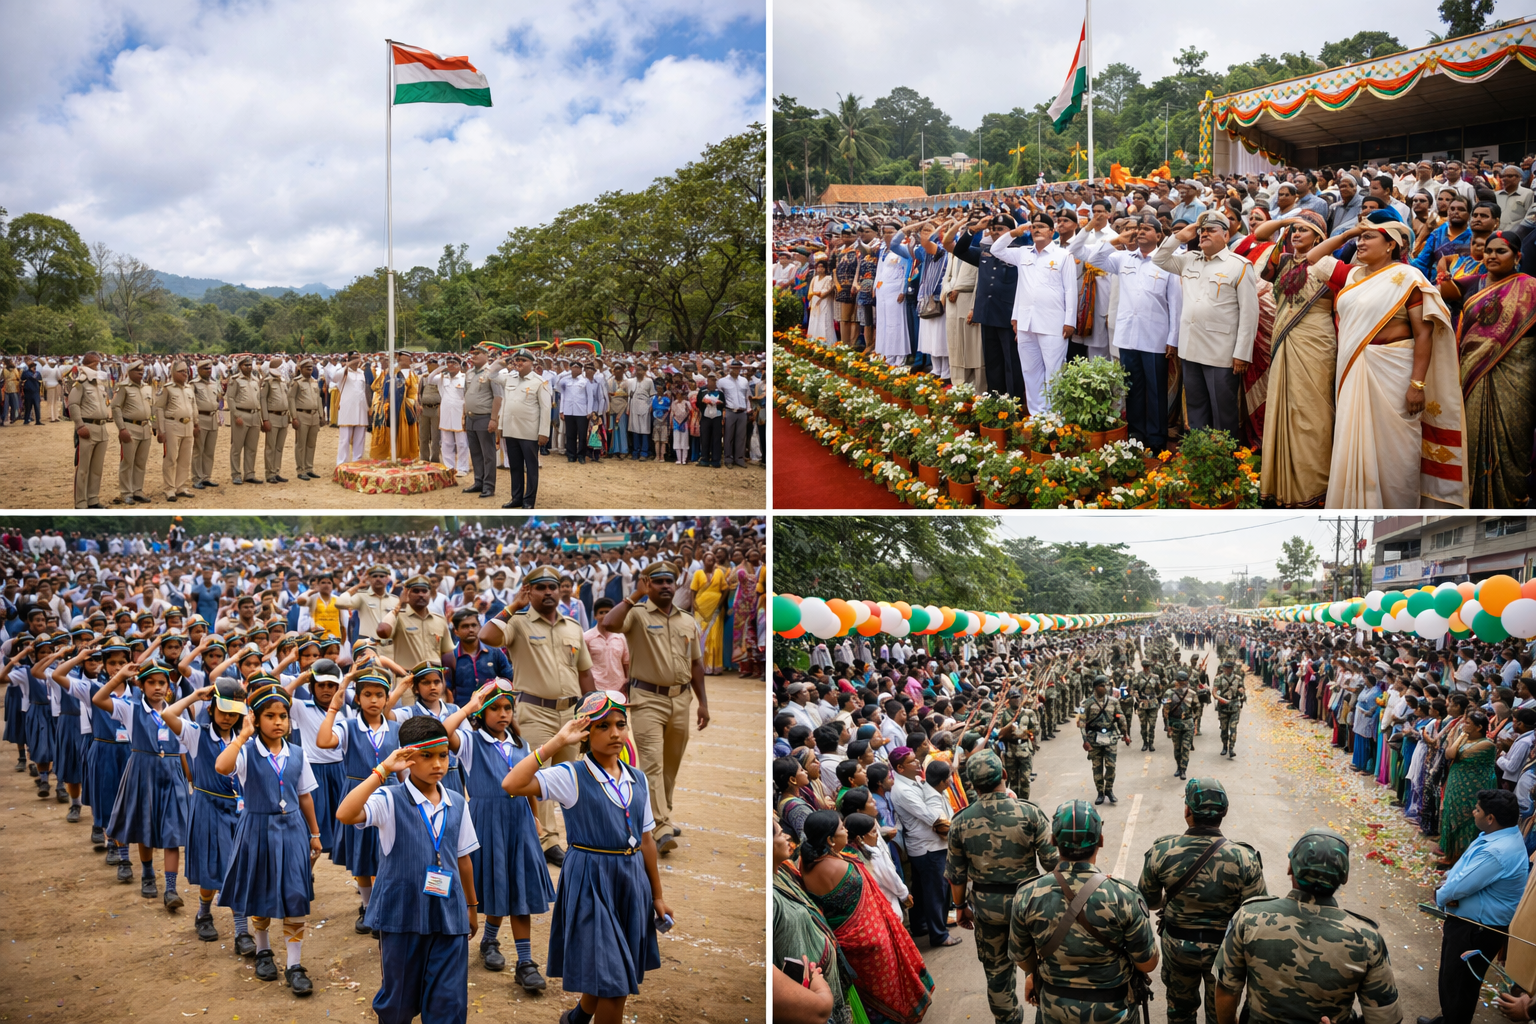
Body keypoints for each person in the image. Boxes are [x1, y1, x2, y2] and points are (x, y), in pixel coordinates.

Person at [499, 689, 673, 1024]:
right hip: (591, 881)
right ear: (584, 733)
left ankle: (576, 1018)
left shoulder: (638, 779)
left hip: (630, 881)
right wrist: (555, 742)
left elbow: (648, 840)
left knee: (612, 967)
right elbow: (512, 783)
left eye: (620, 724)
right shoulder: (571, 775)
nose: (614, 733)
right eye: (602, 726)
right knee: (614, 982)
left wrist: (658, 895)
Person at [335, 715, 479, 1024]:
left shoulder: (456, 802)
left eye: (442, 755)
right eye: (426, 756)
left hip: (449, 913)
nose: (437, 764)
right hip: (402, 915)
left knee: (448, 1001)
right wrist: (383, 770)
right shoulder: (389, 798)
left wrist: (471, 905)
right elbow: (345, 813)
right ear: (406, 757)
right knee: (398, 1000)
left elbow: (463, 857)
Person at [1214, 828, 1400, 1024]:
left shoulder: (1249, 918)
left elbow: (1227, 989)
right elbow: (1386, 1019)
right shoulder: (1367, 938)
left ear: (1290, 868)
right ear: (1344, 878)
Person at [479, 565, 594, 865]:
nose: (547, 592)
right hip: (535, 711)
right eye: (540, 587)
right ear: (529, 591)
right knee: (539, 777)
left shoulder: (573, 626)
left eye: (552, 587)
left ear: (560, 589)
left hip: (571, 711)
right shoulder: (517, 623)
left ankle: (577, 837)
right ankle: (547, 841)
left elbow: (584, 672)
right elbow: (487, 635)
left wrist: (593, 709)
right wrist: (515, 605)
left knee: (573, 776)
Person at [213, 682, 322, 996]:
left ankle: (295, 965)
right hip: (257, 831)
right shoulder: (246, 751)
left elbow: (305, 797)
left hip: (293, 831)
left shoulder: (298, 754)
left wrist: (314, 834)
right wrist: (243, 735)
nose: (278, 722)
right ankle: (263, 951)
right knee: (261, 893)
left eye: (283, 715)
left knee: (296, 896)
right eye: (270, 716)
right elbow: (223, 767)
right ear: (255, 719)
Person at [442, 681, 553, 989]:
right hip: (484, 822)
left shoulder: (521, 745)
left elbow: (528, 781)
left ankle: (525, 961)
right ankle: (489, 941)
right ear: (482, 711)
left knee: (518, 890)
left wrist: (535, 818)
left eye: (507, 708)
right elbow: (442, 732)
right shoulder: (469, 741)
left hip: (519, 823)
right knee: (490, 884)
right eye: (494, 708)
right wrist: (469, 706)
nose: (502, 714)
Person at [1009, 800, 1158, 1022]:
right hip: (1112, 1012)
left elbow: (1024, 960)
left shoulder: (1027, 895)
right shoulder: (1123, 895)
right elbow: (1148, 962)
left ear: (1053, 841)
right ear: (1101, 840)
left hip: (1054, 1011)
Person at [1138, 779, 1267, 1024]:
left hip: (1177, 948)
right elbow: (1255, 913)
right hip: (1224, 953)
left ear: (1187, 810)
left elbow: (1148, 901)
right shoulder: (1244, 858)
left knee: (1180, 1011)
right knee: (1219, 1014)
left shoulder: (1162, 851)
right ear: (1225, 812)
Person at [601, 561, 707, 856]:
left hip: (681, 699)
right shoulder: (635, 615)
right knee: (652, 762)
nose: (665, 586)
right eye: (658, 581)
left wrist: (703, 704)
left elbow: (696, 663)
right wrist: (634, 595)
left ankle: (661, 813)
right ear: (648, 584)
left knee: (671, 763)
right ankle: (660, 825)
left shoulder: (687, 620)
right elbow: (608, 624)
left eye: (669, 581)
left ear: (676, 585)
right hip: (647, 698)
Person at [947, 750, 1058, 1024]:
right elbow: (1053, 864)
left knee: (997, 971)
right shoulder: (1029, 813)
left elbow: (957, 876)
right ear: (1005, 775)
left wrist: (960, 907)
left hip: (988, 910)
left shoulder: (960, 822)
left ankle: (1007, 1019)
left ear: (971, 785)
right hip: (1031, 906)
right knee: (1045, 963)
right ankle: (1049, 1014)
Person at [1071, 215, 1182, 453]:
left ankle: (1156, 438)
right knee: (1133, 389)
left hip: (1155, 339)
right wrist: (1118, 239)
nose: (1140, 232)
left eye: (1147, 229)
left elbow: (1176, 304)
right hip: (1128, 336)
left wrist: (1173, 339)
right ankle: (1136, 435)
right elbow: (1091, 256)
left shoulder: (1167, 263)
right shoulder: (1123, 258)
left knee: (1155, 391)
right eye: (1138, 228)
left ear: (1159, 236)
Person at [1248, 212, 1338, 507]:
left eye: (1305, 230)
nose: (1297, 234)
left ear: (1319, 238)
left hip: (1316, 343)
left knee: (1312, 412)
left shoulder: (1328, 264)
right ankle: (1282, 485)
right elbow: (1261, 234)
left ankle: (1314, 485)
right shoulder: (1283, 261)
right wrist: (1287, 221)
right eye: (1294, 230)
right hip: (1284, 339)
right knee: (1285, 408)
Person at [1426, 789, 1529, 1024]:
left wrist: (1440, 896)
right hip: (1472, 925)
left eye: (1478, 809)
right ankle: (1448, 1020)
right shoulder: (1497, 835)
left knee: (1458, 984)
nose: (1474, 812)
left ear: (1491, 818)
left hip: (1476, 929)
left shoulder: (1498, 851)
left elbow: (1461, 886)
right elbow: (1464, 868)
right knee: (1454, 981)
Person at [1447, 231, 1534, 508]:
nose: (1492, 256)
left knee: (1514, 439)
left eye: (1501, 251)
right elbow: (1435, 294)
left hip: (1518, 373)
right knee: (1472, 435)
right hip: (1473, 374)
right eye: (1488, 251)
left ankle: (1513, 500)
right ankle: (1472, 499)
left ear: (1517, 257)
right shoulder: (1474, 283)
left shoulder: (1531, 288)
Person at [1153, 211, 1259, 432]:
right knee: (1195, 406)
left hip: (1221, 352)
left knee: (1223, 409)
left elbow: (1249, 314)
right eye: (1202, 231)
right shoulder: (1189, 260)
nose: (1204, 234)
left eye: (1211, 230)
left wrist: (1242, 352)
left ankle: (1226, 459)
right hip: (1191, 347)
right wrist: (1181, 236)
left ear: (1226, 236)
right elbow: (1159, 258)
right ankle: (1201, 457)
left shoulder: (1239, 265)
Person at [990, 213, 1077, 415]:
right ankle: (1037, 415)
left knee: (1054, 372)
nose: (1037, 229)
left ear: (1052, 232)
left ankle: (1054, 417)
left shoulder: (1063, 256)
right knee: (1030, 371)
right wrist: (1014, 232)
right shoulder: (1023, 253)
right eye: (1034, 226)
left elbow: (1071, 290)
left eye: (1041, 226)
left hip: (1053, 323)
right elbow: (996, 249)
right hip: (1026, 323)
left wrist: (1069, 321)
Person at [771, 820, 850, 1024]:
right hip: (808, 994)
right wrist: (816, 984)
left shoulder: (784, 871)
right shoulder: (771, 899)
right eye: (780, 834)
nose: (787, 837)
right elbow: (820, 1010)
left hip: (821, 982)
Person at [493, 351, 550, 509]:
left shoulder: (539, 381)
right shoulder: (509, 377)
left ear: (532, 363)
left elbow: (545, 409)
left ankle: (529, 501)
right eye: (517, 360)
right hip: (511, 430)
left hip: (529, 432)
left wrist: (543, 433)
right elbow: (491, 375)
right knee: (515, 466)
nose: (519, 363)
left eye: (523, 360)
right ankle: (516, 498)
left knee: (531, 468)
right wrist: (501, 363)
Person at [68, 352, 112, 509]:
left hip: (101, 428)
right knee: (83, 469)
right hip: (87, 427)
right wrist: (79, 425)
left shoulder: (99, 385)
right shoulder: (80, 384)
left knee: (97, 468)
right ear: (89, 365)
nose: (98, 366)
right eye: (96, 364)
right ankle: (80, 502)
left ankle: (93, 499)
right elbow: (72, 405)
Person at [1080, 675, 1130, 805]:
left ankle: (1109, 790)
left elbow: (1121, 717)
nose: (1105, 688)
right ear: (1096, 687)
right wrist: (1085, 740)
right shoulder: (1087, 703)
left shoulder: (1113, 701)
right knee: (1097, 767)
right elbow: (1082, 723)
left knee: (1111, 766)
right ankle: (1100, 792)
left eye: (1106, 685)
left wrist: (1125, 734)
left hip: (1110, 737)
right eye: (1102, 686)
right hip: (1094, 738)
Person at [112, 360, 156, 505]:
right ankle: (126, 492)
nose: (141, 373)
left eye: (142, 371)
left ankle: (137, 490)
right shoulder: (124, 387)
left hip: (145, 428)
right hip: (130, 428)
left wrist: (154, 425)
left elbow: (152, 408)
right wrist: (121, 428)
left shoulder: (147, 388)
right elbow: (116, 407)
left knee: (141, 462)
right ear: (129, 372)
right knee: (127, 462)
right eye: (137, 371)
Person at [153, 361, 197, 502]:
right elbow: (159, 408)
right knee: (171, 457)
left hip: (188, 425)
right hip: (172, 424)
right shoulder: (167, 388)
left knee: (185, 458)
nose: (185, 373)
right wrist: (161, 430)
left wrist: (196, 423)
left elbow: (193, 406)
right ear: (173, 373)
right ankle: (169, 488)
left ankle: (180, 486)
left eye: (186, 371)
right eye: (181, 371)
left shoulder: (189, 388)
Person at [224, 356, 264, 486]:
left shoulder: (255, 380)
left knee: (252, 447)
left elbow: (258, 399)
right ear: (240, 366)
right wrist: (236, 415)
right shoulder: (235, 380)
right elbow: (230, 398)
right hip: (241, 414)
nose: (248, 367)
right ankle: (236, 474)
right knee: (237, 447)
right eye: (246, 365)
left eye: (250, 365)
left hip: (254, 415)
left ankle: (249, 473)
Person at [289, 358, 325, 481]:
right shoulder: (297, 382)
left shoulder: (315, 382)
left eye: (311, 368)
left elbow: (318, 399)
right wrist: (294, 417)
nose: (310, 370)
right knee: (301, 444)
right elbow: (291, 399)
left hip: (314, 415)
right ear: (301, 369)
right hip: (301, 414)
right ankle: (300, 469)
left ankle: (309, 468)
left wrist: (321, 415)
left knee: (311, 444)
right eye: (307, 368)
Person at [259, 357, 292, 483]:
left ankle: (276, 471)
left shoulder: (283, 382)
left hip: (283, 417)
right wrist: (265, 419)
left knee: (279, 447)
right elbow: (263, 400)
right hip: (272, 416)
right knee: (270, 446)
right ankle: (269, 473)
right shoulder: (268, 382)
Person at [191, 361, 222, 489]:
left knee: (209, 450)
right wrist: (194, 422)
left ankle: (206, 476)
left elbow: (219, 398)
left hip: (212, 418)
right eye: (205, 369)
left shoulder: (214, 383)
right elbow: (191, 404)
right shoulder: (194, 384)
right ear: (198, 370)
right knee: (198, 449)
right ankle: (196, 478)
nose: (208, 371)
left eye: (209, 368)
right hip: (201, 417)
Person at [1164, 671, 1200, 779]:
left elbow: (1197, 708)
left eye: (1182, 681)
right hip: (1175, 723)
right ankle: (1178, 767)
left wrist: (1195, 722)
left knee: (1186, 747)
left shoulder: (1192, 693)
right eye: (1179, 681)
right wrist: (1168, 725)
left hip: (1188, 724)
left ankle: (1183, 769)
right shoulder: (1168, 693)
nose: (1180, 683)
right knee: (1177, 748)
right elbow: (1165, 709)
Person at [1213, 661, 1246, 758]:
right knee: (1224, 729)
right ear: (1223, 669)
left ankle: (1231, 748)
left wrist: (1241, 692)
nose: (1228, 670)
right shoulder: (1219, 679)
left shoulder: (1238, 678)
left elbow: (1242, 689)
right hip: (1223, 707)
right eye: (1227, 668)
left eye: (1230, 668)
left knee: (1233, 728)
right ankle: (1224, 746)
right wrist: (1220, 699)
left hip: (1234, 705)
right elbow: (1214, 693)